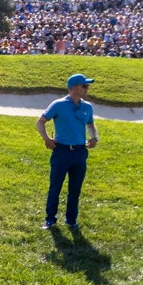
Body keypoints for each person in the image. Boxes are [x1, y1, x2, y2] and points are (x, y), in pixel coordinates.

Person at [36, 73, 100, 229]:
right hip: (62, 151)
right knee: (55, 186)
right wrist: (47, 139)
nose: (87, 88)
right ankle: (50, 219)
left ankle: (71, 220)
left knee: (75, 189)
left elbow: (91, 125)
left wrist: (94, 137)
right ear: (73, 88)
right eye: (84, 86)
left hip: (79, 152)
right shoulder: (58, 104)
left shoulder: (87, 106)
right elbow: (40, 122)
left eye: (87, 86)